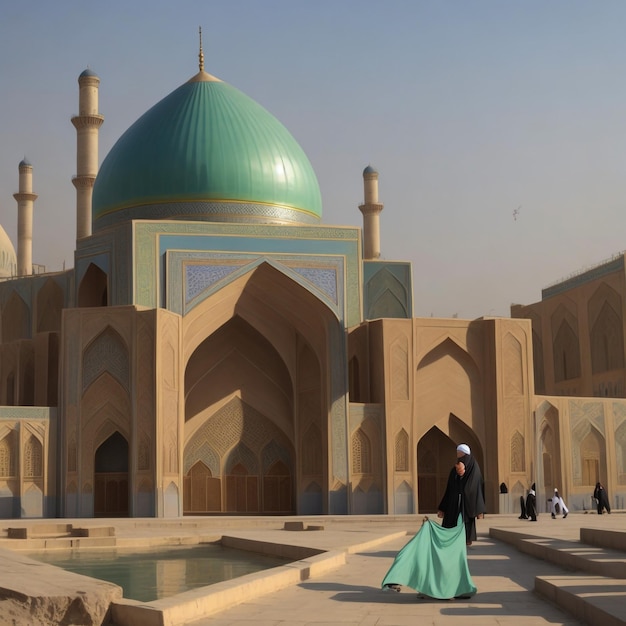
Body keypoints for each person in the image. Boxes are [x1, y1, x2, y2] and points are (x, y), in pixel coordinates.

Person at [437, 443, 485, 546]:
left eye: (460, 453)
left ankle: (467, 539)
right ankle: (449, 537)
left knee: (466, 519)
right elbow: (450, 487)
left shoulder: (474, 467)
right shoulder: (455, 469)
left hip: (468, 500)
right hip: (455, 499)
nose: (458, 456)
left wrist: (463, 489)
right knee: (451, 518)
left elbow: (474, 485)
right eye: (457, 453)